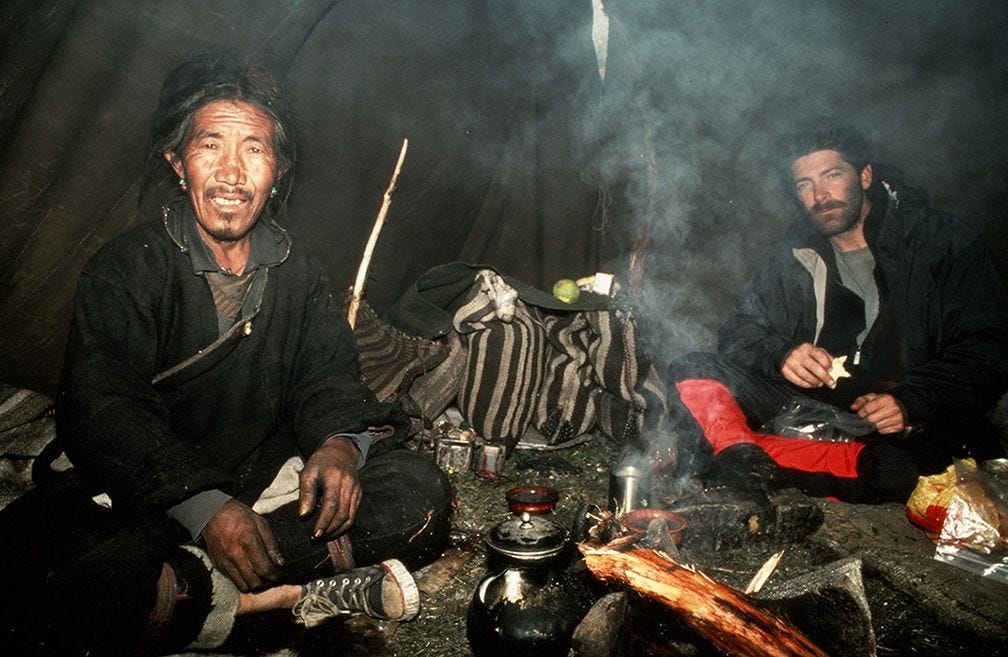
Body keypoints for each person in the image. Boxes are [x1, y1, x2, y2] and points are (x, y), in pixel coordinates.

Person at [0, 54, 452, 656]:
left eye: (255, 150)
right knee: (40, 572)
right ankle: (279, 597)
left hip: (261, 472)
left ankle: (190, 592)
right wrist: (209, 510)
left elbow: (327, 373)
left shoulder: (298, 269)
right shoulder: (125, 270)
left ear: (279, 170)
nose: (232, 172)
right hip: (154, 488)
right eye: (211, 145)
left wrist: (339, 445)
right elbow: (106, 408)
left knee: (418, 494)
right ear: (177, 163)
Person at [665, 120, 1008, 503]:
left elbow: (988, 348)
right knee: (693, 368)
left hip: (902, 422)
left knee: (899, 470)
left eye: (832, 175)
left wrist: (912, 400)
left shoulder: (939, 240)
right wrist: (781, 354)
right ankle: (739, 454)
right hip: (815, 405)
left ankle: (738, 453)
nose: (820, 195)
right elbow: (740, 331)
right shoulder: (795, 252)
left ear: (864, 176)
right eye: (804, 184)